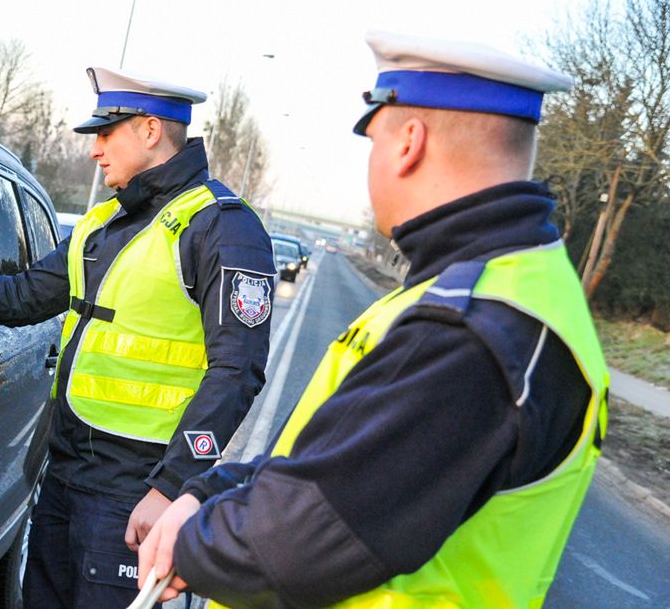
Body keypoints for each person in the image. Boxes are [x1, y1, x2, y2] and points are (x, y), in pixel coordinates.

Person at [137, 31, 610, 608]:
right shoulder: (485, 288)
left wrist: (192, 544)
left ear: (409, 142)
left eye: (374, 137)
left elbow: (301, 539)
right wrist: (210, 491)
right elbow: (333, 458)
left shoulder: (474, 329)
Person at [0, 66, 278, 607]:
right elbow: (22, 296)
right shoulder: (103, 223)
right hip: (64, 476)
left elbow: (238, 370)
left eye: (105, 134)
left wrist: (173, 488)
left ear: (149, 131)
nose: (94, 151)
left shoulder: (222, 226)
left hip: (136, 491)